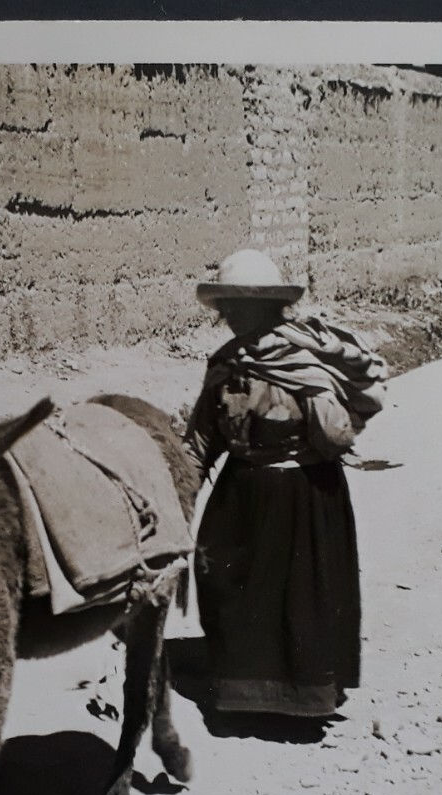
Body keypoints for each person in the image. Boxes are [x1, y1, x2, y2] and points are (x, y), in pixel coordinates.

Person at [183, 249, 388, 719]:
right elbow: (200, 438)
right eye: (226, 308)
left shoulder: (304, 364)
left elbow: (334, 436)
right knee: (226, 582)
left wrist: (304, 424)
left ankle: (302, 697)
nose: (229, 317)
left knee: (301, 594)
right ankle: (240, 690)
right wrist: (181, 496)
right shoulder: (226, 365)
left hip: (304, 493)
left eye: (238, 307)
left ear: (265, 308)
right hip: (243, 490)